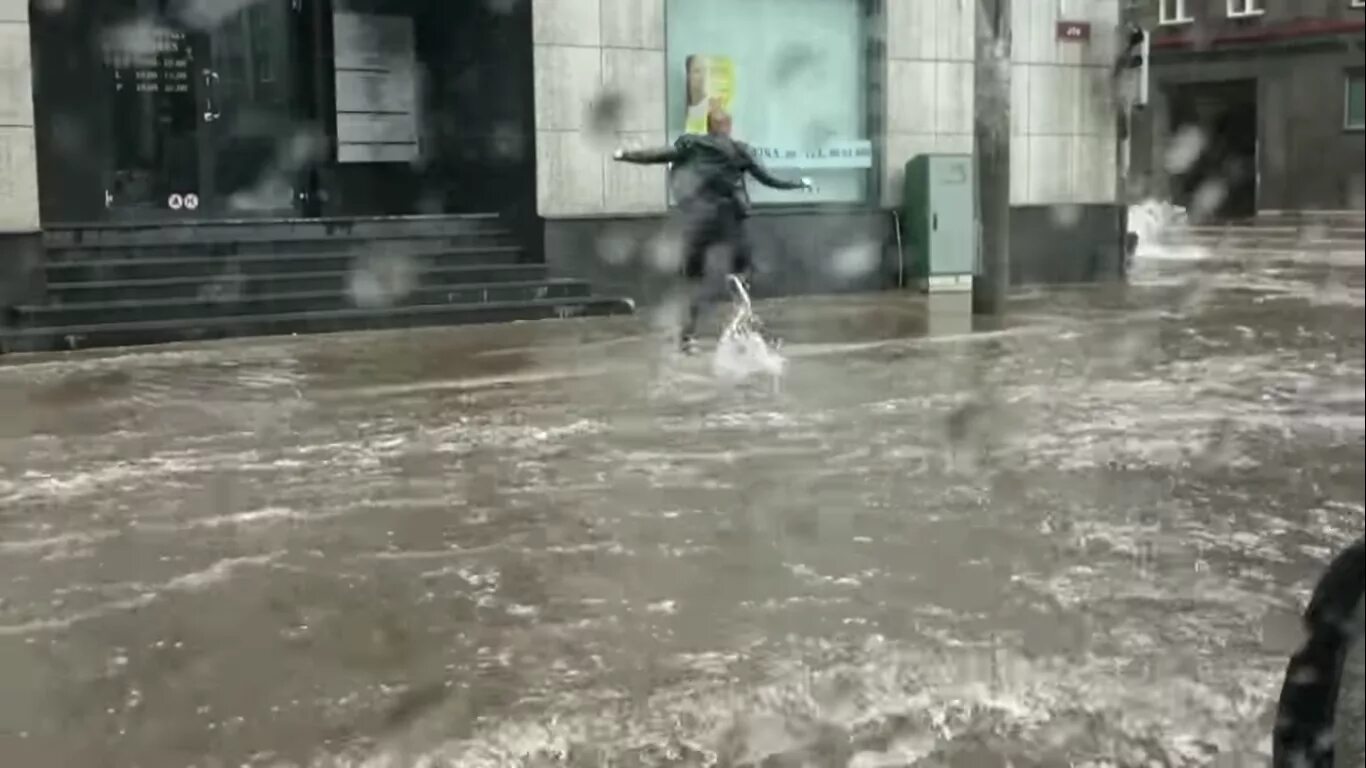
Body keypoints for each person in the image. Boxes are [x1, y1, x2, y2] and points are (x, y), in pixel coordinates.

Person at [612, 109, 810, 353]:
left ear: (708, 127)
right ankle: (742, 318)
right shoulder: (740, 151)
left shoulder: (692, 146)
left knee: (693, 280)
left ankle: (688, 339)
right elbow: (769, 179)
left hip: (699, 221)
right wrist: (798, 183)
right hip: (728, 220)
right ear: (728, 126)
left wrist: (624, 154)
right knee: (742, 270)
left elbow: (659, 154)